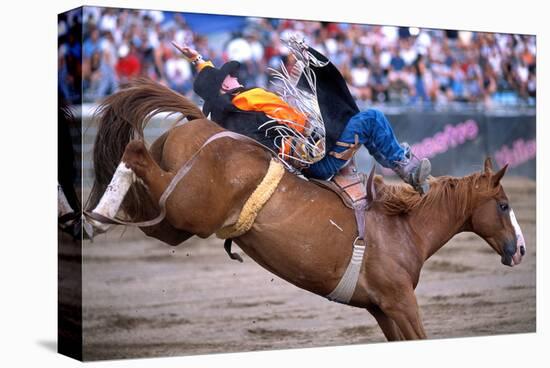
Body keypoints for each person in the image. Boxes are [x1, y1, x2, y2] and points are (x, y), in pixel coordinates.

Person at [173, 38, 431, 193]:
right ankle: (403, 165)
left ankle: (395, 162)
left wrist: (198, 59)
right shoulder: (247, 98)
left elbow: (214, 90)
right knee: (371, 118)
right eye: (227, 76)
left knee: (361, 121)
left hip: (305, 159)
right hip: (316, 160)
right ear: (225, 86)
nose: (233, 75)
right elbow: (296, 123)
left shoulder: (230, 108)